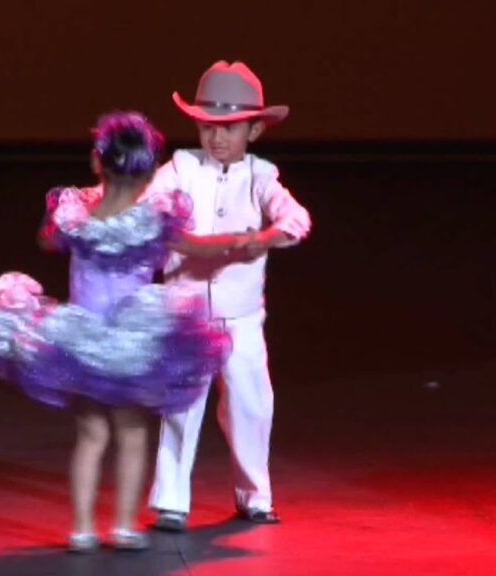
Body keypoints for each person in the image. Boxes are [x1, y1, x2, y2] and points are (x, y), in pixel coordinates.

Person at [0, 111, 244, 552]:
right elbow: (194, 247)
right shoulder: (151, 219)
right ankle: (125, 526)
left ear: (98, 162)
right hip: (131, 344)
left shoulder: (75, 215)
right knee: (131, 433)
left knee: (91, 435)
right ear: (150, 172)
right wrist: (241, 241)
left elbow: (45, 240)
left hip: (82, 342)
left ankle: (81, 528)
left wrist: (73, 217)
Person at [148, 61, 312, 530]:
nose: (217, 138)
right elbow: (153, 205)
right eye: (207, 127)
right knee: (180, 403)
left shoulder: (260, 176)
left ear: (254, 129)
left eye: (229, 128)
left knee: (250, 404)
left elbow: (294, 216)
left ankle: (254, 494)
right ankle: (171, 499)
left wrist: (271, 235)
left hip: (240, 318)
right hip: (187, 313)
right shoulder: (181, 168)